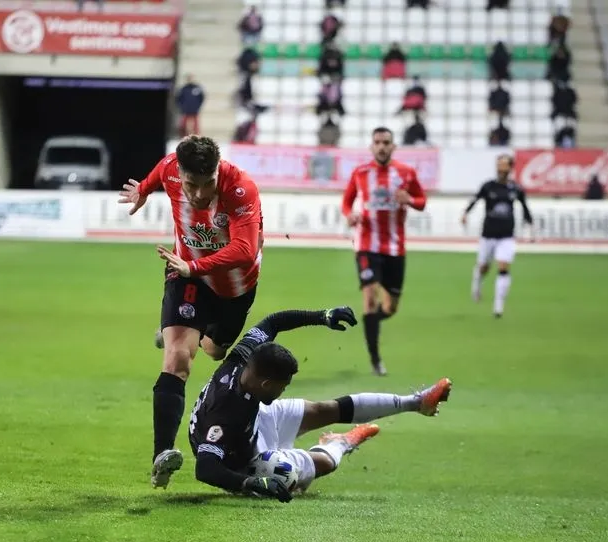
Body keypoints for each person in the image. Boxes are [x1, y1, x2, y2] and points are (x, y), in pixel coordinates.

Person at [117, 136, 264, 489]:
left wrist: (194, 267)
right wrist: (144, 191)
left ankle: (181, 329)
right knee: (179, 360)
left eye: (207, 183)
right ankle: (162, 454)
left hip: (235, 287)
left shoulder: (241, 189)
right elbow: (157, 174)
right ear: (179, 172)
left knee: (214, 350)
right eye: (190, 184)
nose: (198, 194)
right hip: (186, 275)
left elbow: (244, 250)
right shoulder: (170, 168)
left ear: (218, 171)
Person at [189, 307, 453, 501]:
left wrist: (322, 316)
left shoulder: (243, 359)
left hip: (254, 417)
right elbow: (206, 468)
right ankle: (340, 443)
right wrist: (250, 482)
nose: (285, 391)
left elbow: (274, 321)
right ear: (267, 383)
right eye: (283, 386)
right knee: (312, 467)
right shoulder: (224, 412)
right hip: (244, 459)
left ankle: (417, 403)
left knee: (323, 409)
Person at [341, 127, 427, 376]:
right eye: (377, 142)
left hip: (395, 247)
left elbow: (422, 201)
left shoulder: (406, 173)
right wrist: (350, 215)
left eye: (386, 142)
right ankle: (375, 358)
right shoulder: (361, 173)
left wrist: (409, 200)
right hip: (367, 244)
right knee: (370, 297)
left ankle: (370, 323)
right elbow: (347, 201)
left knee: (390, 308)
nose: (381, 146)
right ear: (371, 146)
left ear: (393, 146)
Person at [461, 155, 533, 318]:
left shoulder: (516, 189)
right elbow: (475, 199)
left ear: (510, 168)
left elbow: (525, 207)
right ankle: (477, 282)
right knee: (484, 266)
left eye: (504, 166)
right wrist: (466, 213)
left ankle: (498, 306)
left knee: (503, 268)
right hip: (488, 234)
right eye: (499, 165)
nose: (500, 169)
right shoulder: (488, 186)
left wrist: (530, 224)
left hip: (507, 236)